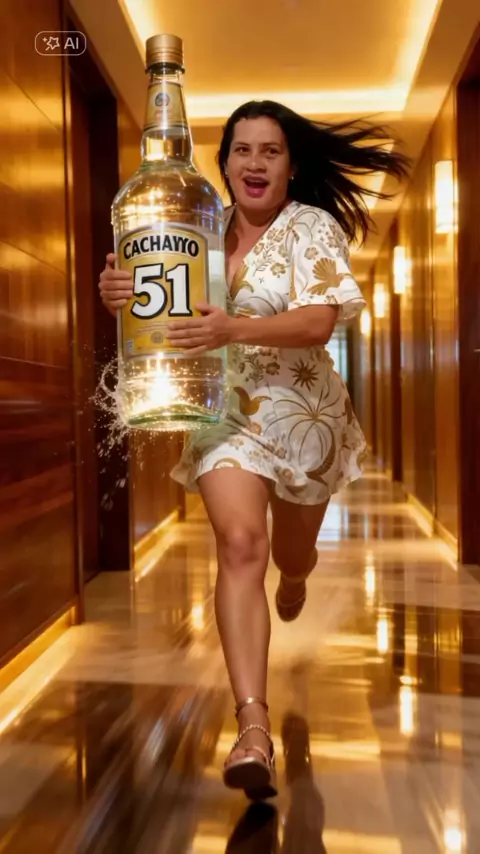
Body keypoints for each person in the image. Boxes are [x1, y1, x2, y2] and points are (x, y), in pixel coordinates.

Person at [99, 100, 408, 800]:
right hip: (223, 414)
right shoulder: (196, 228)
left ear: (290, 165)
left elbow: (318, 322)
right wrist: (120, 290)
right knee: (241, 545)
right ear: (225, 162)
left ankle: (298, 575)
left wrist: (232, 328)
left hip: (304, 418)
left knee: (289, 556)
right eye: (242, 149)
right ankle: (252, 730)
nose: (256, 162)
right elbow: (157, 302)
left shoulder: (311, 226)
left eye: (271, 150)